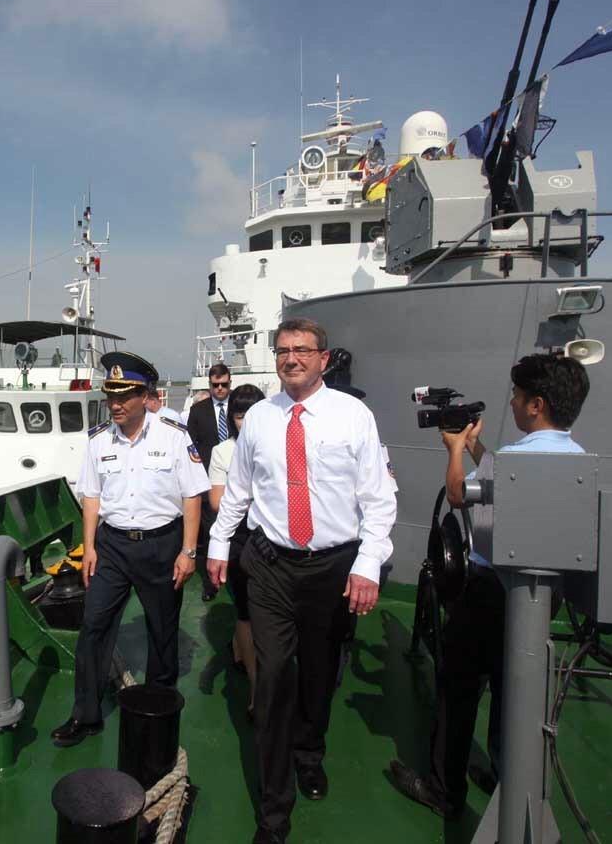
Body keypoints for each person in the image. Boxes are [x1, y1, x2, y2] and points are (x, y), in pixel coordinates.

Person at [208, 318, 397, 844]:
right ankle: (273, 813)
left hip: (331, 566)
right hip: (270, 565)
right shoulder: (262, 420)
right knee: (270, 681)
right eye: (283, 350)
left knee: (319, 670)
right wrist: (219, 545)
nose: (291, 359)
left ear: (323, 357)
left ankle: (309, 752)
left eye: (301, 351)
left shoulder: (353, 416)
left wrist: (366, 563)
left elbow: (378, 500)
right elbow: (240, 490)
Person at [391, 353, 590, 819]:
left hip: (490, 593)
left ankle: (444, 790)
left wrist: (456, 449)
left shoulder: (515, 459)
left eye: (519, 398)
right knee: (513, 689)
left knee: (458, 689)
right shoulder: (579, 459)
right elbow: (506, 479)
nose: (515, 405)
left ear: (536, 404)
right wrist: (481, 450)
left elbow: (461, 495)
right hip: (545, 594)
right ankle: (508, 773)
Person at [52, 351, 210, 748]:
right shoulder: (97, 440)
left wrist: (188, 552)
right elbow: (91, 497)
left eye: (125, 396)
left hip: (161, 545)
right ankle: (85, 714)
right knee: (93, 628)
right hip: (113, 548)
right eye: (111, 396)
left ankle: (157, 710)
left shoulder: (174, 435)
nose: (116, 404)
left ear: (145, 396)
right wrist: (89, 547)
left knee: (161, 630)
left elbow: (192, 496)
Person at [208, 383, 267, 714]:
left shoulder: (277, 446)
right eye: (240, 415)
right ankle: (257, 688)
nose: (247, 421)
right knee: (245, 612)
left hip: (274, 537)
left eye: (253, 413)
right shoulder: (223, 452)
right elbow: (217, 501)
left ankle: (239, 649)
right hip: (240, 537)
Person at [184, 364, 235, 601]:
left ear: (230, 382)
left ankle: (237, 577)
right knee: (208, 533)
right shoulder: (198, 411)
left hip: (237, 481)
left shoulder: (239, 407)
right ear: (209, 385)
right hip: (208, 483)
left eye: (224, 384)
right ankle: (210, 584)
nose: (220, 389)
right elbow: (191, 446)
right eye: (216, 385)